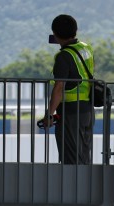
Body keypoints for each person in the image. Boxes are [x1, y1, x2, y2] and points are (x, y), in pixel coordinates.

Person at [39, 14, 95, 165]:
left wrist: (49, 114)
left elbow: (59, 88)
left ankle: (75, 187)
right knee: (83, 155)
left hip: (70, 111)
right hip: (87, 109)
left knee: (71, 159)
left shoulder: (63, 56)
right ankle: (84, 186)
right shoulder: (85, 48)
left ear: (55, 34)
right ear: (75, 30)